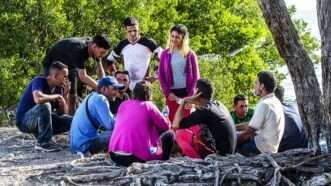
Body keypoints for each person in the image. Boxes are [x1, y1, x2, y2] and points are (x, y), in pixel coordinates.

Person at [109, 81, 175, 166]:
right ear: (149, 94)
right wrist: (165, 116)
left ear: (133, 93)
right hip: (134, 157)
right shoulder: (149, 105)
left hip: (114, 155)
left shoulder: (123, 104)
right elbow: (166, 126)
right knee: (170, 134)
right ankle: (163, 164)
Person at [43, 35, 111, 114]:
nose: (102, 56)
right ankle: (52, 115)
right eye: (102, 53)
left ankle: (71, 119)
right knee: (55, 94)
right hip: (52, 62)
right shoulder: (79, 49)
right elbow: (83, 76)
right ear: (94, 46)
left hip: (69, 65)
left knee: (73, 95)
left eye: (104, 54)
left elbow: (100, 70)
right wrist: (101, 90)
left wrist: (105, 84)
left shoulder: (94, 46)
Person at [16, 62, 72, 152]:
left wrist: (65, 95)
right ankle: (43, 143)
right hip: (25, 121)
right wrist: (57, 96)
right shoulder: (39, 81)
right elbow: (38, 99)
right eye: (64, 76)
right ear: (55, 75)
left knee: (71, 120)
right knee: (45, 105)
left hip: (42, 122)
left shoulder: (59, 89)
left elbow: (63, 113)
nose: (66, 79)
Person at [172, 79, 237, 156]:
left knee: (180, 134)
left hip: (221, 156)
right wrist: (194, 102)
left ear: (197, 93)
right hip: (229, 151)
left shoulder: (205, 111)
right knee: (194, 130)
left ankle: (194, 159)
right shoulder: (218, 104)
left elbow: (176, 125)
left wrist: (184, 101)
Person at [70, 76, 124, 154]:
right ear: (104, 89)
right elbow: (110, 126)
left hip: (76, 146)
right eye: (114, 88)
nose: (117, 92)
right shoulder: (101, 99)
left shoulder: (91, 96)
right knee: (119, 130)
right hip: (84, 147)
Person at [106, 16, 163, 90]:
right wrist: (116, 75)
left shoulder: (148, 42)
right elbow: (109, 60)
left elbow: (165, 58)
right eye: (129, 31)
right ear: (125, 30)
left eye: (135, 30)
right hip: (127, 87)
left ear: (139, 29)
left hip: (144, 86)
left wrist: (155, 76)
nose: (133, 33)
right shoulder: (122, 44)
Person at [158, 24, 200, 122]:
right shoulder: (165, 54)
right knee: (172, 123)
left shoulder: (190, 54)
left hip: (187, 94)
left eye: (177, 37)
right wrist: (167, 93)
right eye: (172, 36)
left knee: (186, 123)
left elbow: (196, 77)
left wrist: (191, 97)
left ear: (183, 38)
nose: (174, 39)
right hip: (172, 95)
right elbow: (161, 75)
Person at [237, 71, 284, 156]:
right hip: (271, 148)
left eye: (256, 83)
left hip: (261, 149)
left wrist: (234, 141)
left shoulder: (264, 104)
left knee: (229, 144)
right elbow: (252, 125)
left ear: (262, 86)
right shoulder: (275, 101)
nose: (254, 86)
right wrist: (234, 127)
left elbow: (249, 132)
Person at [274, 86, 308, 152]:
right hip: (305, 148)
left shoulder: (274, 110)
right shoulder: (294, 106)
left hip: (288, 151)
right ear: (282, 97)